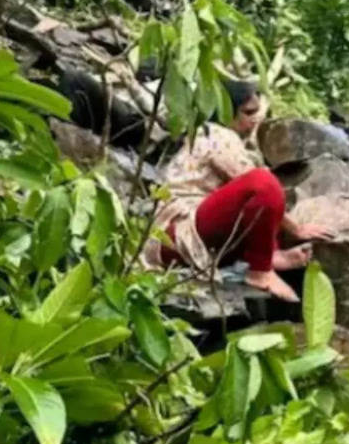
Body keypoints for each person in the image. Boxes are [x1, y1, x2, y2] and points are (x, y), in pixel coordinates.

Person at [142, 80, 334, 302]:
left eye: (257, 112)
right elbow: (254, 184)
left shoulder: (210, 135)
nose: (255, 119)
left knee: (265, 194)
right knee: (264, 182)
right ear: (226, 112)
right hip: (178, 236)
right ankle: (260, 272)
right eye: (247, 112)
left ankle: (270, 257)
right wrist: (297, 229)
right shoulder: (217, 134)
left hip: (188, 238)